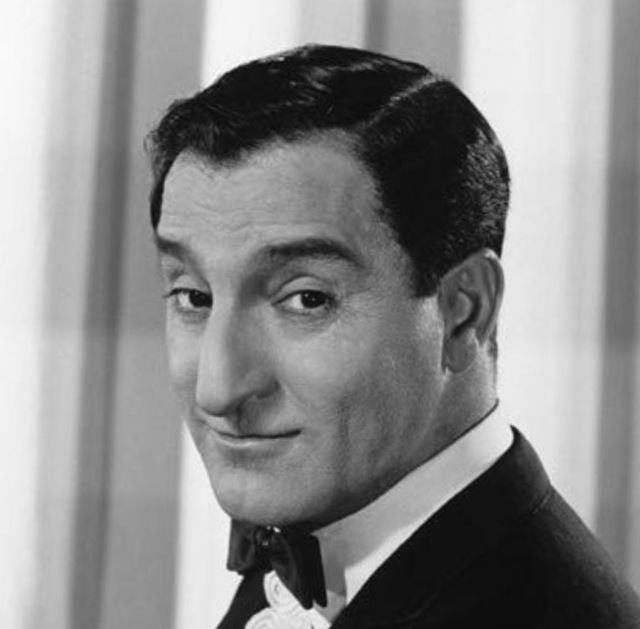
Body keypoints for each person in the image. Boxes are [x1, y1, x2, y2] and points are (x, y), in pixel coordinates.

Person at [147, 45, 640, 628]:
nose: (218, 390)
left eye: (307, 300)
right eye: (195, 297)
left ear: (464, 312)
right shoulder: (324, 523)